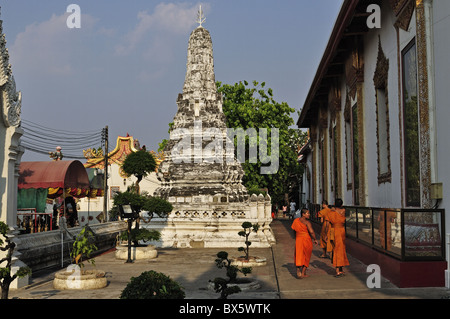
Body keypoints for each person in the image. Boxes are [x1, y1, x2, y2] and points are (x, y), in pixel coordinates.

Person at [291, 208, 318, 279]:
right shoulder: (307, 222)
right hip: (306, 239)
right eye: (307, 213)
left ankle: (298, 270)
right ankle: (303, 273)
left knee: (298, 254)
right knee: (306, 255)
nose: (309, 214)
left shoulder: (296, 221)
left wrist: (296, 236)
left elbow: (294, 230)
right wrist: (315, 239)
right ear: (303, 214)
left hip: (298, 239)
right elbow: (311, 232)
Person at [328, 198, 349, 277]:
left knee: (338, 249)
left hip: (334, 230)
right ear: (342, 205)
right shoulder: (343, 211)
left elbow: (328, 223)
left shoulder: (331, 212)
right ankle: (338, 270)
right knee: (339, 249)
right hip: (341, 230)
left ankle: (339, 269)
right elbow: (341, 212)